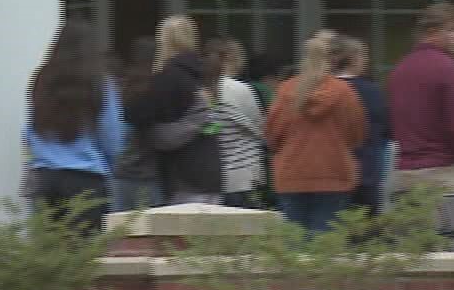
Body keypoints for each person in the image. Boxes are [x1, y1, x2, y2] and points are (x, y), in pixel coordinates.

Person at [24, 20, 126, 237]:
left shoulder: (42, 80)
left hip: (45, 179)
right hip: (86, 181)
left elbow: (29, 130)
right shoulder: (99, 83)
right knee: (84, 258)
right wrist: (109, 165)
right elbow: (113, 137)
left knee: (45, 258)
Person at [265, 31, 367, 233]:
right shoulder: (345, 93)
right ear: (332, 59)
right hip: (334, 174)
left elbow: (272, 135)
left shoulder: (285, 91)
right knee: (325, 248)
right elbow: (357, 135)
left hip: (291, 175)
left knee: (292, 247)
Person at [124, 16, 222, 206]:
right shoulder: (205, 76)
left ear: (164, 41)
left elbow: (134, 115)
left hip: (183, 173)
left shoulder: (169, 77)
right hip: (210, 167)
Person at [387, 3, 454, 196]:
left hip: (406, 171)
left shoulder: (399, 69)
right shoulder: (449, 68)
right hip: (444, 170)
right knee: (453, 226)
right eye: (453, 30)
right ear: (433, 31)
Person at [205, 38, 266, 209]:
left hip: (212, 175)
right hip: (243, 174)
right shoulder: (239, 89)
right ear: (231, 58)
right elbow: (260, 128)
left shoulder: (200, 89)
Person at [333, 35, 391, 216]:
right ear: (354, 58)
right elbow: (387, 129)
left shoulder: (323, 90)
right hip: (367, 170)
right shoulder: (372, 91)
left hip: (331, 173)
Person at [109, 60, 164, 213]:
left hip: (120, 177)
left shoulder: (118, 110)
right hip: (148, 178)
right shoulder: (150, 113)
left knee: (119, 229)